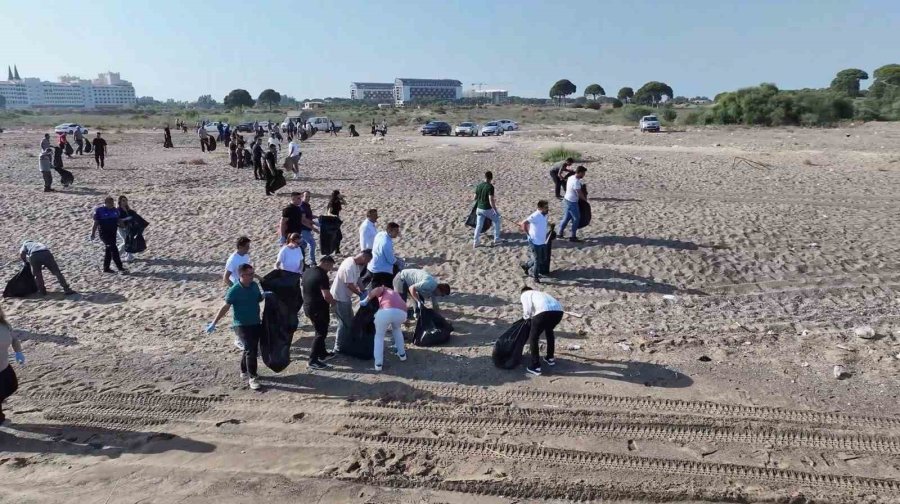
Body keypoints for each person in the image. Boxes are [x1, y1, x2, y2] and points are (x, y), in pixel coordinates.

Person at [206, 264, 266, 390]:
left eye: (253, 273)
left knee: (250, 348)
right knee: (251, 350)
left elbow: (258, 299)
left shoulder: (254, 285)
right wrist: (214, 322)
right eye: (249, 274)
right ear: (241, 275)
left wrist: (264, 296)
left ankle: (244, 371)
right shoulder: (234, 290)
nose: (252, 276)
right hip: (241, 325)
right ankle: (253, 377)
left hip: (255, 322)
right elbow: (225, 307)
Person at [330, 250, 371, 352]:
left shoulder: (355, 263)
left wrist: (363, 290)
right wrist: (360, 294)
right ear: (364, 257)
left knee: (350, 320)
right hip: (340, 297)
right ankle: (338, 347)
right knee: (344, 323)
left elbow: (358, 279)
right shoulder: (349, 266)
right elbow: (349, 284)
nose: (366, 264)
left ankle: (348, 341)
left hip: (346, 297)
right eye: (367, 261)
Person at [361, 285, 408, 372]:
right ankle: (402, 355)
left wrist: (365, 300)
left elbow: (376, 290)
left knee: (379, 336)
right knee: (397, 330)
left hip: (387, 311)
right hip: (403, 312)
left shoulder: (383, 289)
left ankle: (378, 364)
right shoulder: (395, 293)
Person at [301, 256, 336, 370]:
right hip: (318, 308)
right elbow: (326, 295)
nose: (330, 269)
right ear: (325, 263)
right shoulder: (322, 275)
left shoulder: (307, 271)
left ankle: (323, 354)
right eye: (330, 266)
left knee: (319, 330)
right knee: (321, 333)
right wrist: (333, 303)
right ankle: (312, 360)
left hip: (307, 306)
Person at [520, 287, 564, 376]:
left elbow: (527, 311)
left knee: (533, 337)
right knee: (549, 331)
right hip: (559, 311)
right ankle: (550, 357)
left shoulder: (525, 294)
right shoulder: (541, 293)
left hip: (544, 312)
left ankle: (535, 366)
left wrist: (525, 319)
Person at [0, 307, 25, 424]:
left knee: (11, 386)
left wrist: (18, 352)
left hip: (3, 366)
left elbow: (14, 339)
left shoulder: (4, 325)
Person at [91, 197, 127, 274]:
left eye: (112, 203)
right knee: (114, 249)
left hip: (113, 233)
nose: (112, 204)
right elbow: (96, 223)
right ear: (106, 202)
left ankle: (106, 268)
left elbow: (119, 221)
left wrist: (123, 226)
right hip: (104, 233)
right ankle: (120, 268)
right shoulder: (99, 210)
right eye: (110, 203)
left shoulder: (115, 210)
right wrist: (93, 233)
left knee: (109, 250)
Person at [519, 200, 551, 283]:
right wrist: (528, 234)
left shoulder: (545, 215)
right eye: (546, 207)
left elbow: (543, 224)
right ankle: (535, 277)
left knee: (542, 259)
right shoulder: (535, 215)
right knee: (537, 260)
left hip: (542, 241)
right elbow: (524, 223)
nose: (547, 209)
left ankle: (526, 266)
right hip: (534, 242)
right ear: (540, 208)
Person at [558, 166, 587, 242]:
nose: (584, 175)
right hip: (572, 202)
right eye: (583, 173)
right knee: (576, 218)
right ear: (580, 172)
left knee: (566, 218)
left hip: (566, 199)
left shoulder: (571, 177)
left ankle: (560, 233)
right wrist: (585, 200)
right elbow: (579, 193)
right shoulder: (576, 182)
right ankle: (573, 236)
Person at [473, 171, 501, 248]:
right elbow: (490, 200)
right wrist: (495, 210)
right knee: (497, 220)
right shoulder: (490, 187)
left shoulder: (479, 185)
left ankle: (475, 242)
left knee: (478, 225)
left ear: (484, 177)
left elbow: (474, 198)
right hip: (486, 209)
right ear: (491, 178)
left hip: (479, 208)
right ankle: (497, 238)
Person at [367, 222, 400, 288]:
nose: (397, 233)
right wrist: (399, 262)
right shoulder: (386, 243)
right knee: (389, 288)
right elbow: (391, 260)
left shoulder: (380, 234)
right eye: (396, 231)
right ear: (390, 231)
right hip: (380, 271)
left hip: (371, 266)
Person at [117, 195, 138, 262]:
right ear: (120, 201)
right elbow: (118, 220)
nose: (125, 202)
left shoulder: (127, 209)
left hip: (128, 227)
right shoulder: (118, 210)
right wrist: (126, 219)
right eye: (123, 200)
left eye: (126, 200)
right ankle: (116, 255)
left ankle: (129, 256)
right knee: (126, 242)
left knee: (129, 241)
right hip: (121, 228)